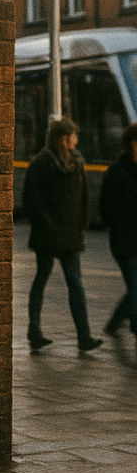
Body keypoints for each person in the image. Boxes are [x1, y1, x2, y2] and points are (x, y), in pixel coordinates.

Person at [21, 117, 103, 352]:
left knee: (75, 284)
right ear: (59, 139)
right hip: (48, 236)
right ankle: (34, 330)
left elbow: (84, 196)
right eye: (70, 137)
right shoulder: (40, 164)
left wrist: (83, 224)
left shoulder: (77, 162)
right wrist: (50, 227)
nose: (73, 141)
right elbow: (32, 203)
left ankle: (84, 336)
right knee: (41, 280)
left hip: (70, 236)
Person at [101, 122, 137, 338]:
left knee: (135, 285)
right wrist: (121, 222)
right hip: (124, 242)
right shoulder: (117, 172)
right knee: (135, 285)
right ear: (130, 144)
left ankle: (115, 320)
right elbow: (104, 207)